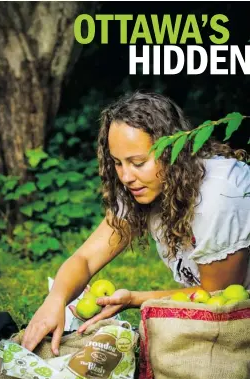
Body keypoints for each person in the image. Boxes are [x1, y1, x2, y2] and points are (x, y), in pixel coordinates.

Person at [22, 91, 250, 355]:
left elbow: (216, 299)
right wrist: (55, 300)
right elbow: (85, 258)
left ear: (174, 154)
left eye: (138, 162)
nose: (126, 176)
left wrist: (134, 299)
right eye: (117, 163)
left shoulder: (218, 196)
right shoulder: (141, 185)